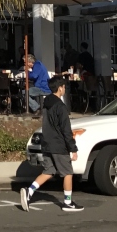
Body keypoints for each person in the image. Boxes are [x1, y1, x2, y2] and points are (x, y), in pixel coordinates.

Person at [20, 76, 83, 212]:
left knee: (49, 171)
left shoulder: (46, 104)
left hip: (46, 143)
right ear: (60, 88)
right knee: (67, 172)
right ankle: (68, 203)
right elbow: (66, 130)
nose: (65, 89)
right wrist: (73, 149)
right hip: (59, 145)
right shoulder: (61, 107)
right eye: (64, 87)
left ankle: (29, 191)